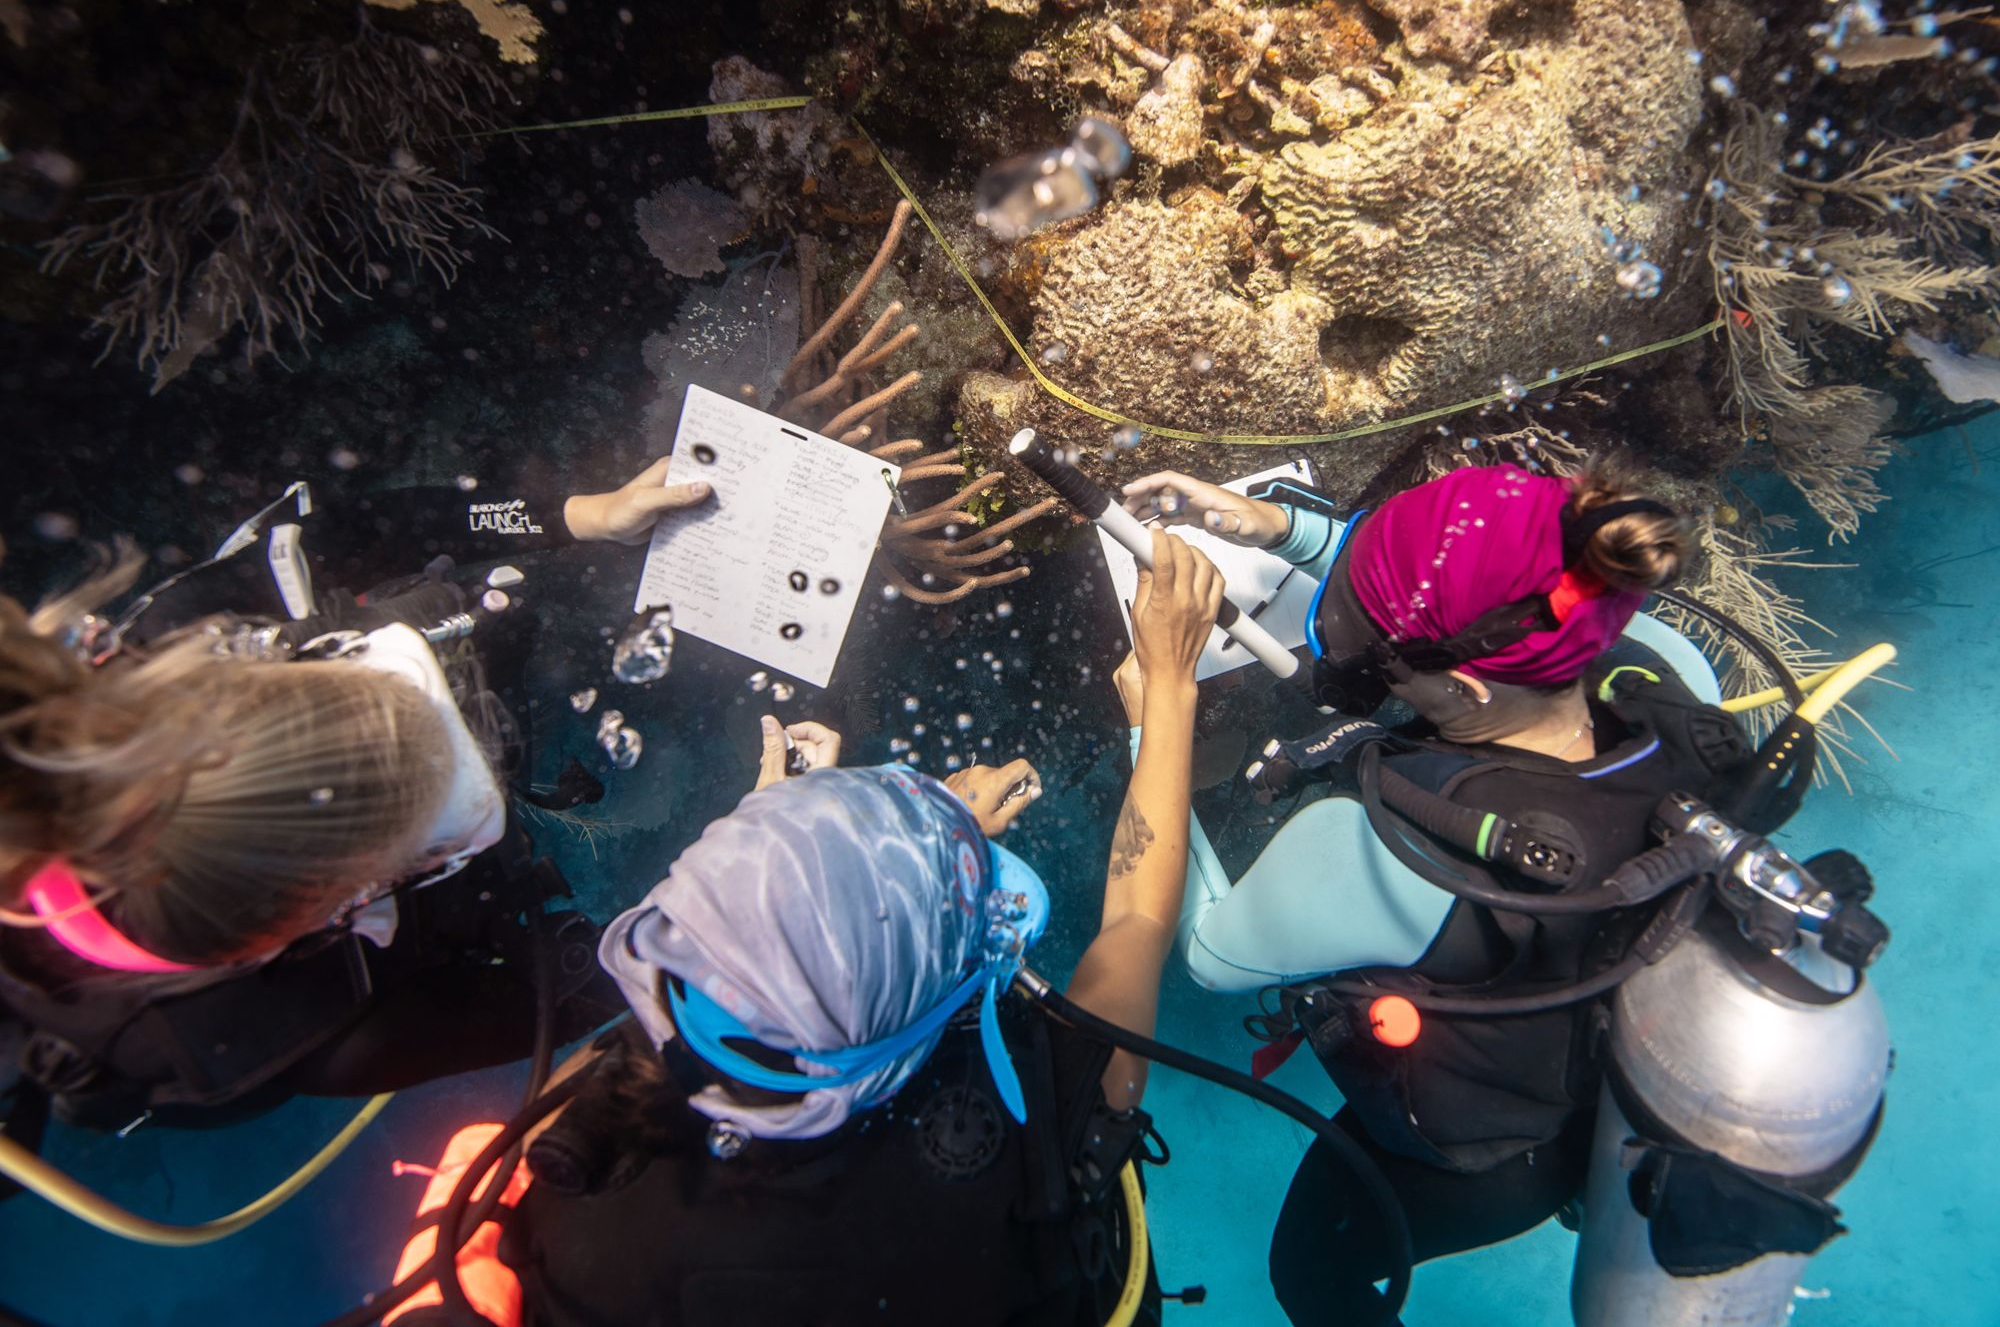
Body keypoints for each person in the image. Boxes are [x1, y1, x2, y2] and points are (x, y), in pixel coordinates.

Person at [376, 532, 1227, 1327]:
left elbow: (742, 961)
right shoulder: (1034, 1125)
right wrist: (1170, 683)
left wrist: (796, 841)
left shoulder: (586, 1161)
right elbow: (1140, 918)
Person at [1121, 460, 1739, 1326]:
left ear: (1466, 687)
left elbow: (1205, 955)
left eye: (1366, 643)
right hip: (1624, 1090)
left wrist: (1161, 716)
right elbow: (1479, 585)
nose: (1339, 644)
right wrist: (1280, 529)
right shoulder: (1664, 671)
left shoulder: (1385, 852)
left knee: (1307, 1272)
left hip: (1491, 1157)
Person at [0, 455, 715, 1130]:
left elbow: (362, 531)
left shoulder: (170, 641)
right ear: (336, 908)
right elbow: (584, 1001)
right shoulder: (317, 1031)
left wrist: (576, 515)